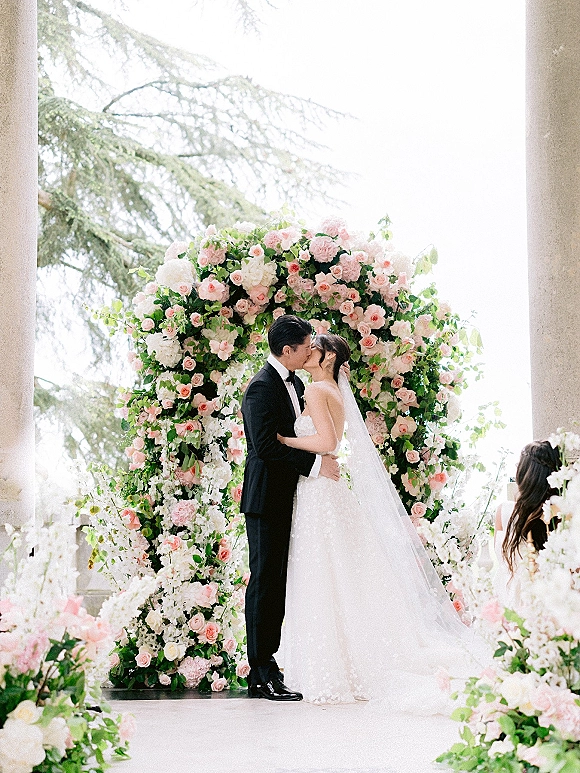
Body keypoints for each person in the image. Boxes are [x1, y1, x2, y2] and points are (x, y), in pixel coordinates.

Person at [278, 332, 487, 707]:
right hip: (325, 490)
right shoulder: (333, 391)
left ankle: (335, 664)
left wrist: (287, 441)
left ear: (327, 359)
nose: (309, 350)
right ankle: (347, 659)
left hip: (319, 493)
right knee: (335, 571)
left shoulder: (315, 391)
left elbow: (327, 444)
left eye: (315, 347)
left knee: (324, 571)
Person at [240, 315, 340, 701]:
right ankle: (262, 672)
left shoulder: (298, 383)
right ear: (288, 350)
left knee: (279, 585)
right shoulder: (260, 389)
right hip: (266, 500)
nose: (311, 349)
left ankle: (270, 667)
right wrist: (317, 465)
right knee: (265, 584)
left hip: (295, 497)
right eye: (305, 345)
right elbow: (265, 447)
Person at [494, 440, 561, 607]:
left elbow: (502, 563)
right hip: (553, 612)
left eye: (519, 465)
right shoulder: (561, 517)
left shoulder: (504, 512)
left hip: (512, 608)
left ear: (525, 475)